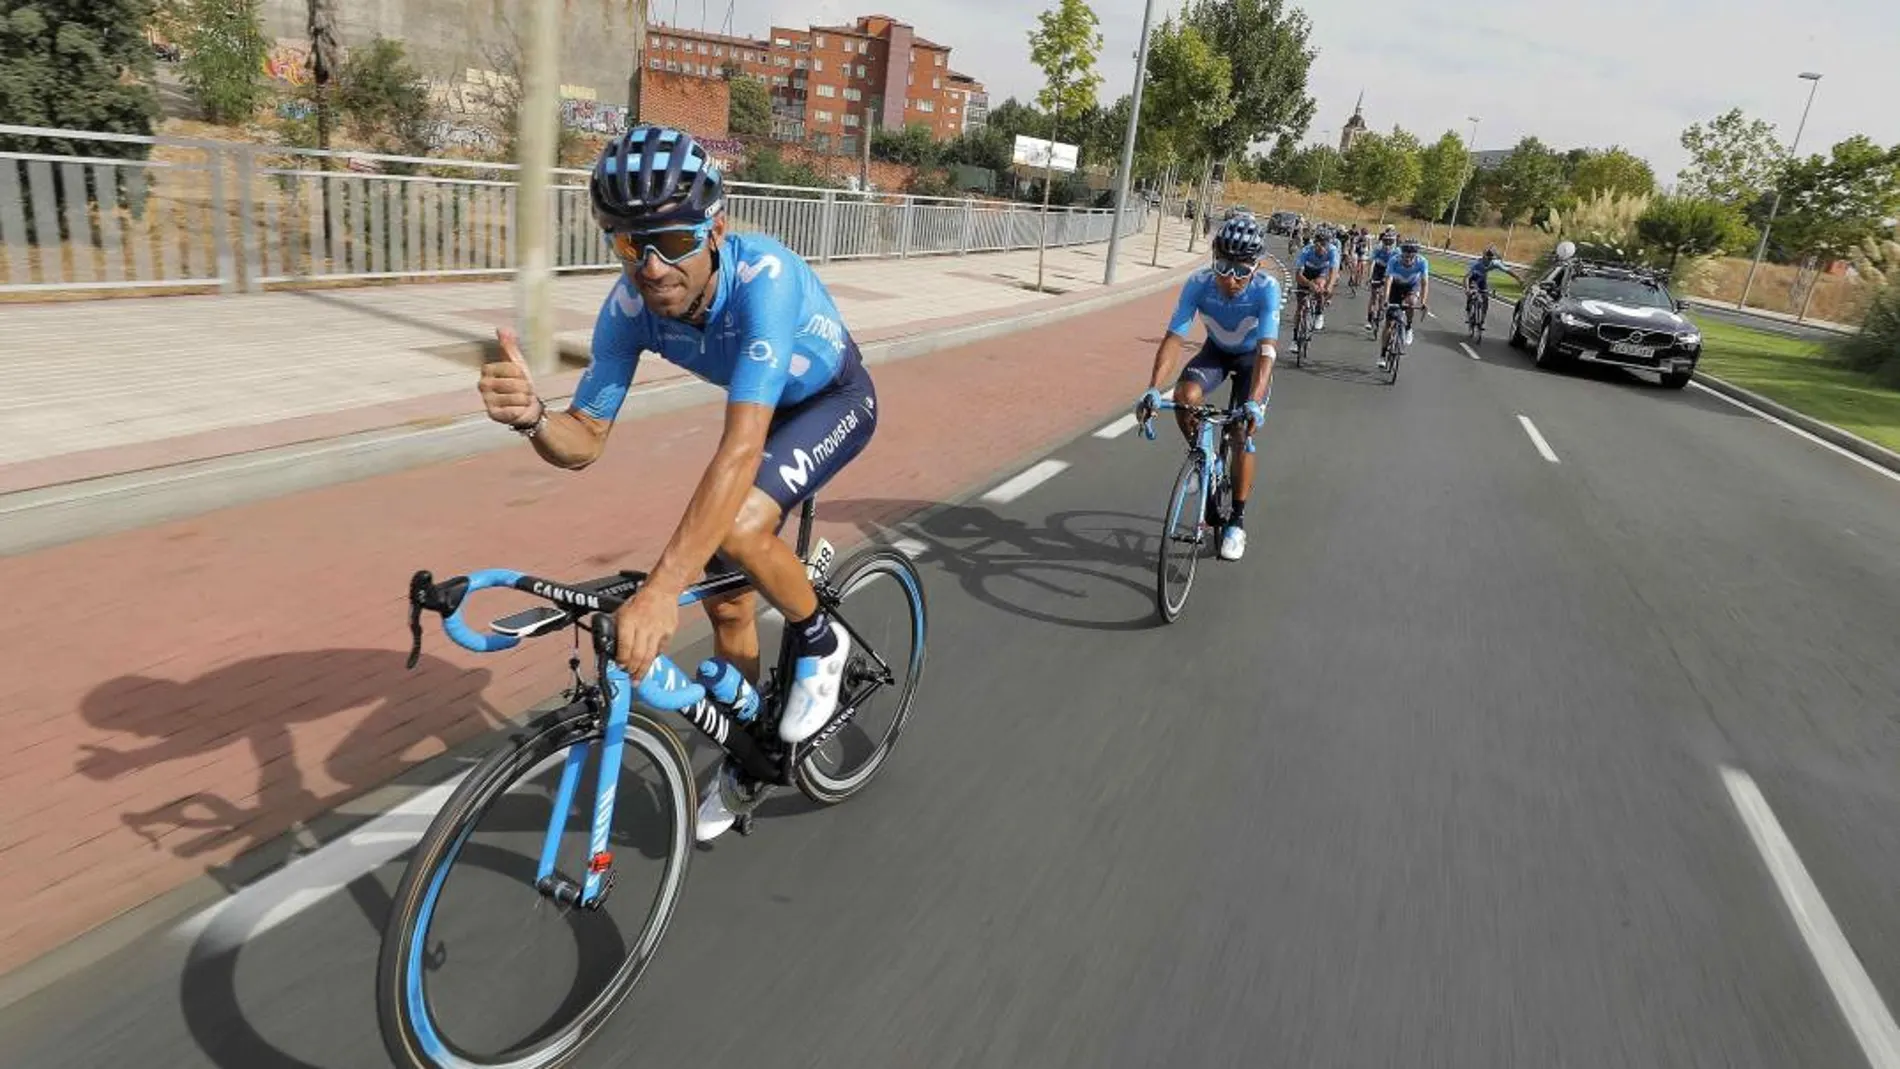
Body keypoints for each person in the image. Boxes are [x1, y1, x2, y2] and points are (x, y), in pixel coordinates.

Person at [476, 125, 874, 841]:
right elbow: (585, 441)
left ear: (716, 229)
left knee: (738, 527)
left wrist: (661, 591)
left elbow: (738, 448)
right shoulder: (628, 310)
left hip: (830, 401)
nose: (653, 267)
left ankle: (819, 640)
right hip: (767, 419)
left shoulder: (765, 280)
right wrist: (534, 418)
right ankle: (751, 749)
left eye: (675, 242)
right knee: (727, 608)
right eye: (631, 245)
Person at [1133, 215, 1281, 563]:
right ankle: (1205, 459)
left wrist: (1255, 402)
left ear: (1257, 266)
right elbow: (1174, 338)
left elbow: (1267, 351)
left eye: (1242, 270)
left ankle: (1236, 522)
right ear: (1213, 258)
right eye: (1223, 266)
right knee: (1184, 398)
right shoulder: (1198, 283)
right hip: (1215, 353)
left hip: (1250, 360)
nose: (1230, 278)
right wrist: (1153, 389)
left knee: (1242, 432)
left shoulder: (1266, 288)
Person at [1374, 238, 1430, 368]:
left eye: (1411, 254)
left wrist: (1423, 302)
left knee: (1411, 302)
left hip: (1412, 286)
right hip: (1395, 287)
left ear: (1416, 254)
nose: (1408, 257)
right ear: (1402, 253)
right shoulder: (1394, 260)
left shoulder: (1422, 262)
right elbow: (1388, 280)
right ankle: (1382, 355)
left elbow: (1424, 283)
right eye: (1406, 254)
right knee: (1389, 322)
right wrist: (1386, 300)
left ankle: (1408, 327)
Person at [1291, 226, 1340, 331]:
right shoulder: (1306, 251)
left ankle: (1319, 313)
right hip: (1307, 272)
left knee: (1320, 286)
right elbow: (1298, 275)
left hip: (1322, 271)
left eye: (1325, 244)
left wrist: (1329, 286)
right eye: (1319, 244)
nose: (1322, 247)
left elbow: (1334, 271)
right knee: (1299, 307)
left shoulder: (1332, 250)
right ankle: (1295, 339)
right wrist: (1309, 284)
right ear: (1315, 243)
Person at [1464, 244, 1521, 324]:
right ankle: (1469, 308)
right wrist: (1467, 289)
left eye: (1491, 258)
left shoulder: (1495, 263)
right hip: (1473, 277)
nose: (1489, 260)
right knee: (1471, 292)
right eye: (1488, 257)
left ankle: (1482, 319)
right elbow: (1467, 277)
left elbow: (1508, 271)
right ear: (1484, 256)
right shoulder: (1477, 264)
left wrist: (1518, 278)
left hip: (1482, 278)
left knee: (1485, 298)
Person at [1362, 225, 1399, 335]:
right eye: (1386, 242)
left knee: (1385, 294)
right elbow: (1371, 263)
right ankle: (1369, 319)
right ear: (1383, 241)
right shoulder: (1378, 248)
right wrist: (1369, 278)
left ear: (1394, 242)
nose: (1388, 245)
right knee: (1374, 295)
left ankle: (1382, 307)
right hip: (1379, 269)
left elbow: (1397, 268)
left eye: (1390, 243)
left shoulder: (1397, 251)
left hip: (1390, 271)